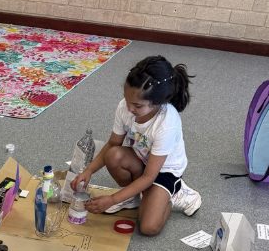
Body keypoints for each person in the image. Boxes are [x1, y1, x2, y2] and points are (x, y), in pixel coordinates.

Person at [72, 55, 200, 236]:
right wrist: (89, 170)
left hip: (165, 171)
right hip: (142, 160)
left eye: (137, 105)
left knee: (149, 227)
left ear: (158, 102)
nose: (129, 109)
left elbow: (149, 176)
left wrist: (113, 199)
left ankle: (176, 194)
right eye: (127, 100)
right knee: (113, 155)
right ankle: (133, 196)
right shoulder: (125, 107)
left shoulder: (167, 123)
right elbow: (113, 143)